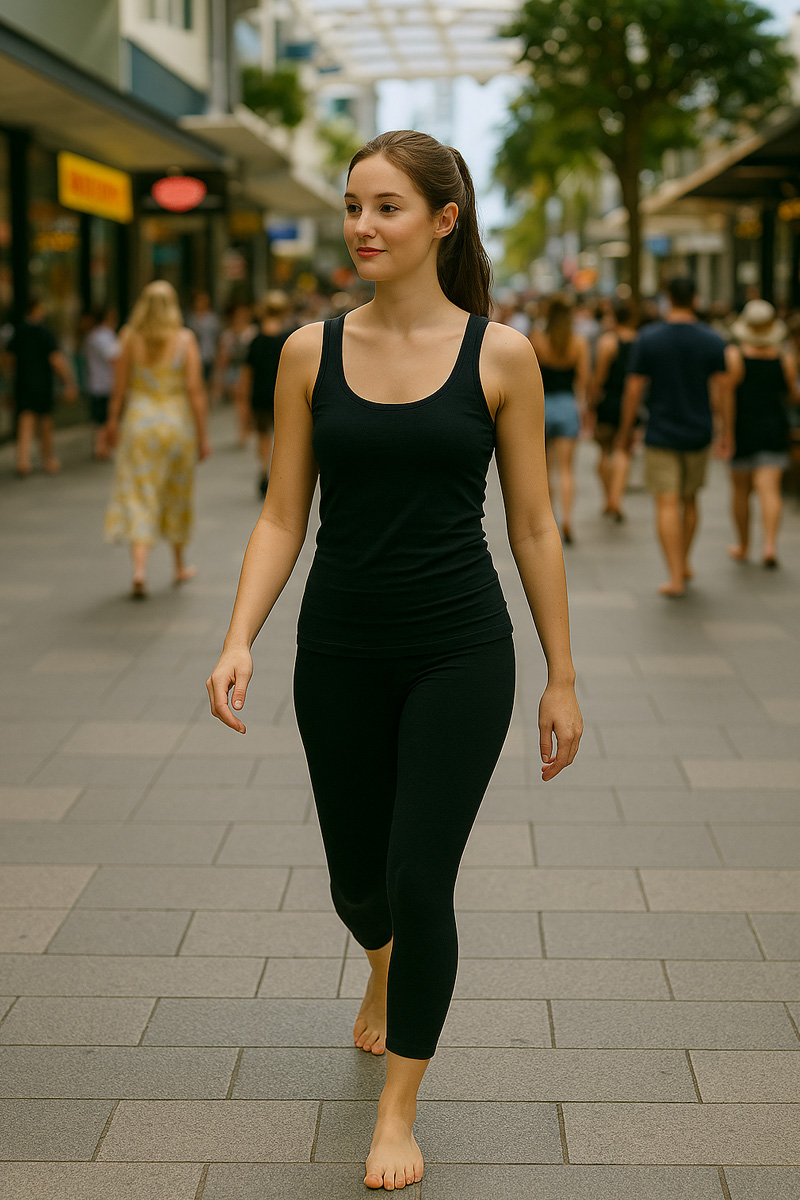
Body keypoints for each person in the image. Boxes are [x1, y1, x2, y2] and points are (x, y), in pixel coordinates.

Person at [205, 130, 583, 1192]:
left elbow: (536, 526)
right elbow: (283, 514)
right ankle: (378, 966)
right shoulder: (306, 353)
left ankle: (397, 1105)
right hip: (337, 649)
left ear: (441, 221)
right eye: (352, 206)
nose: (362, 227)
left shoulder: (498, 355)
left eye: (386, 208)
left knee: (420, 880)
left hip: (459, 648)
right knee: (355, 882)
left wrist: (561, 673)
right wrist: (239, 634)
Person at [617, 277, 730, 597]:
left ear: (668, 298)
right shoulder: (712, 339)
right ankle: (685, 561)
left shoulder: (649, 339)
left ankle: (675, 574)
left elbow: (634, 389)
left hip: (661, 431)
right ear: (695, 298)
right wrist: (726, 431)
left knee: (666, 503)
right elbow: (723, 391)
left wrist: (626, 432)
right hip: (699, 431)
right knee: (690, 500)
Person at [103, 281, 211, 598]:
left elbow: (118, 391)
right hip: (175, 424)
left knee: (139, 493)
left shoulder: (129, 338)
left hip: (139, 423)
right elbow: (195, 391)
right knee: (176, 492)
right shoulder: (184, 339)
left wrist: (111, 423)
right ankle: (179, 565)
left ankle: (139, 570)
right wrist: (204, 436)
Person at [725, 300, 799, 568]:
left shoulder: (735, 356)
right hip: (773, 427)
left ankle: (743, 545)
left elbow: (727, 398)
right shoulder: (785, 357)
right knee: (770, 489)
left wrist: (725, 433)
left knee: (741, 490)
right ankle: (769, 545)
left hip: (743, 428)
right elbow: (791, 396)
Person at [529, 295, 590, 544]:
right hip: (567, 405)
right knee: (567, 470)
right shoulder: (579, 343)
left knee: (546, 471)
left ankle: (550, 521)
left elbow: (529, 376)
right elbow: (584, 380)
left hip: (542, 406)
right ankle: (567, 518)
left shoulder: (538, 338)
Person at [8, 298, 78, 476]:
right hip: (42, 383)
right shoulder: (44, 333)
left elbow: (8, 359)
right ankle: (47, 459)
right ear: (36, 310)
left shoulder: (19, 332)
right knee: (45, 422)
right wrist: (69, 382)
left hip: (23, 383)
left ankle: (23, 461)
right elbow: (56, 360)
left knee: (26, 419)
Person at [587, 298, 638, 521]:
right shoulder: (640, 341)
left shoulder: (608, 342)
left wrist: (591, 402)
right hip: (632, 402)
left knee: (604, 451)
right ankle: (617, 498)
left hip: (609, 400)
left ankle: (609, 498)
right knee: (624, 450)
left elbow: (599, 377)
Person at [239, 292, 291, 498]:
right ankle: (281, 476)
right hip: (284, 394)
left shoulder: (257, 339)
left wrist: (243, 397)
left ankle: (264, 470)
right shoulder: (289, 337)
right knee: (284, 435)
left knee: (263, 435)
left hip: (259, 393)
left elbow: (247, 372)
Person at [215, 301, 256, 447]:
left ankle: (246, 426)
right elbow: (223, 356)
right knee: (240, 401)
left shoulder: (252, 332)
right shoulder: (228, 334)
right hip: (234, 369)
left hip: (249, 370)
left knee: (245, 400)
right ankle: (243, 429)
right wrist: (218, 378)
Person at [84, 307, 121, 460]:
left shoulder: (92, 336)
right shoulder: (104, 336)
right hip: (106, 383)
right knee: (105, 417)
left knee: (100, 418)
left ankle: (101, 446)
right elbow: (115, 358)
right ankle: (102, 447)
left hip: (96, 382)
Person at [186, 290, 221, 387]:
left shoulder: (213, 319)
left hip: (209, 355)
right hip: (194, 354)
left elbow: (218, 338)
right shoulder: (190, 318)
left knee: (208, 380)